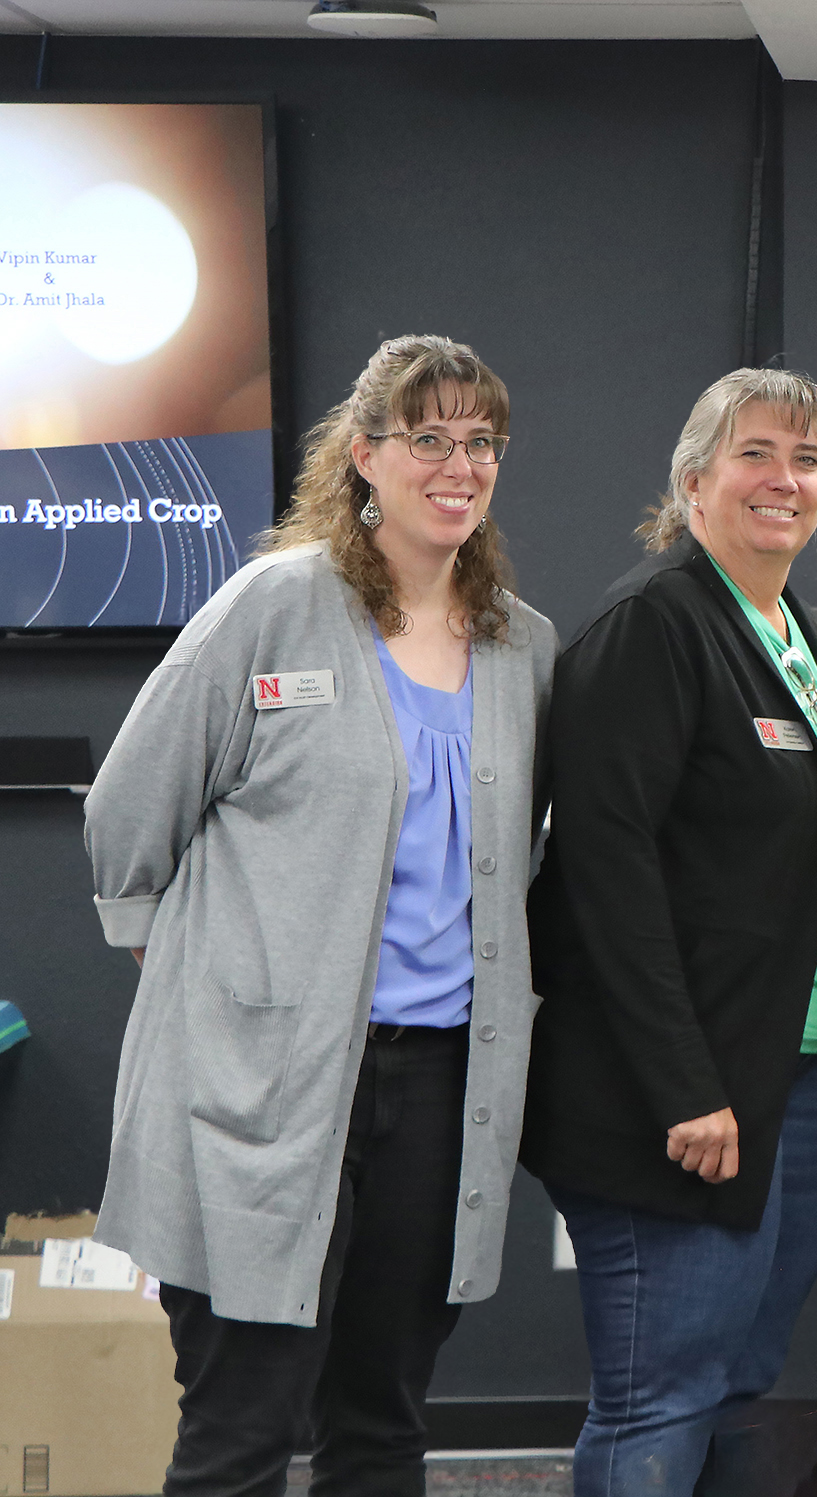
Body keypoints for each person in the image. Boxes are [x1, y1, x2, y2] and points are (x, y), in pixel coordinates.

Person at [83, 334, 553, 1496]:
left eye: (480, 441)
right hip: (272, 1078)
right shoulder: (275, 608)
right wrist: (195, 966)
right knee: (245, 1420)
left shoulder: (521, 646)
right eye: (427, 437)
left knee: (384, 1417)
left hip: (440, 1082)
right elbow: (132, 808)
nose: (459, 463)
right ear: (363, 457)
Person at [519, 368, 817, 1496]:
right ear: (693, 482)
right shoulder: (652, 629)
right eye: (757, 454)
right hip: (677, 1097)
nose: (785, 481)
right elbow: (604, 880)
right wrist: (684, 1084)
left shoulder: (791, 630)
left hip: (800, 1077)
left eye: (807, 460)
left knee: (737, 1387)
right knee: (661, 1400)